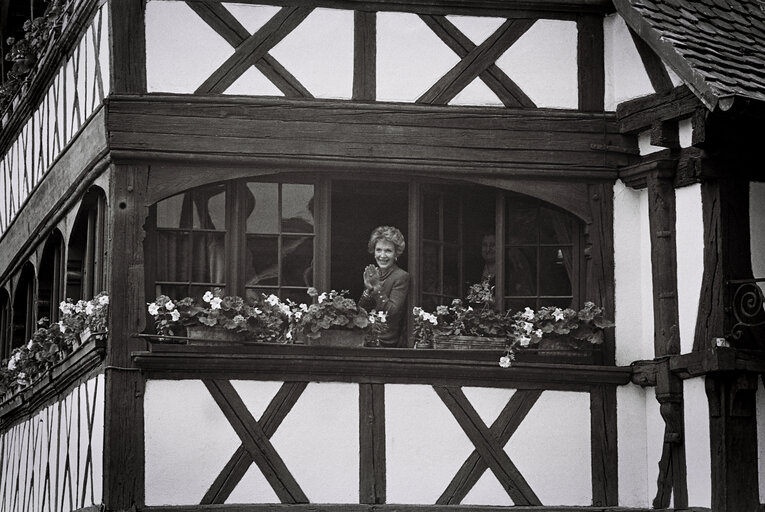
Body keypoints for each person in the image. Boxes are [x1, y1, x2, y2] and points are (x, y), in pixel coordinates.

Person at [359, 226, 410, 347]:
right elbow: (361, 310)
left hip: (386, 340)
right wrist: (368, 289)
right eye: (378, 250)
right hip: (367, 336)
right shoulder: (373, 273)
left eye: (388, 251)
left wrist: (376, 289)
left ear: (396, 253)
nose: (382, 255)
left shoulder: (401, 276)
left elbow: (392, 311)